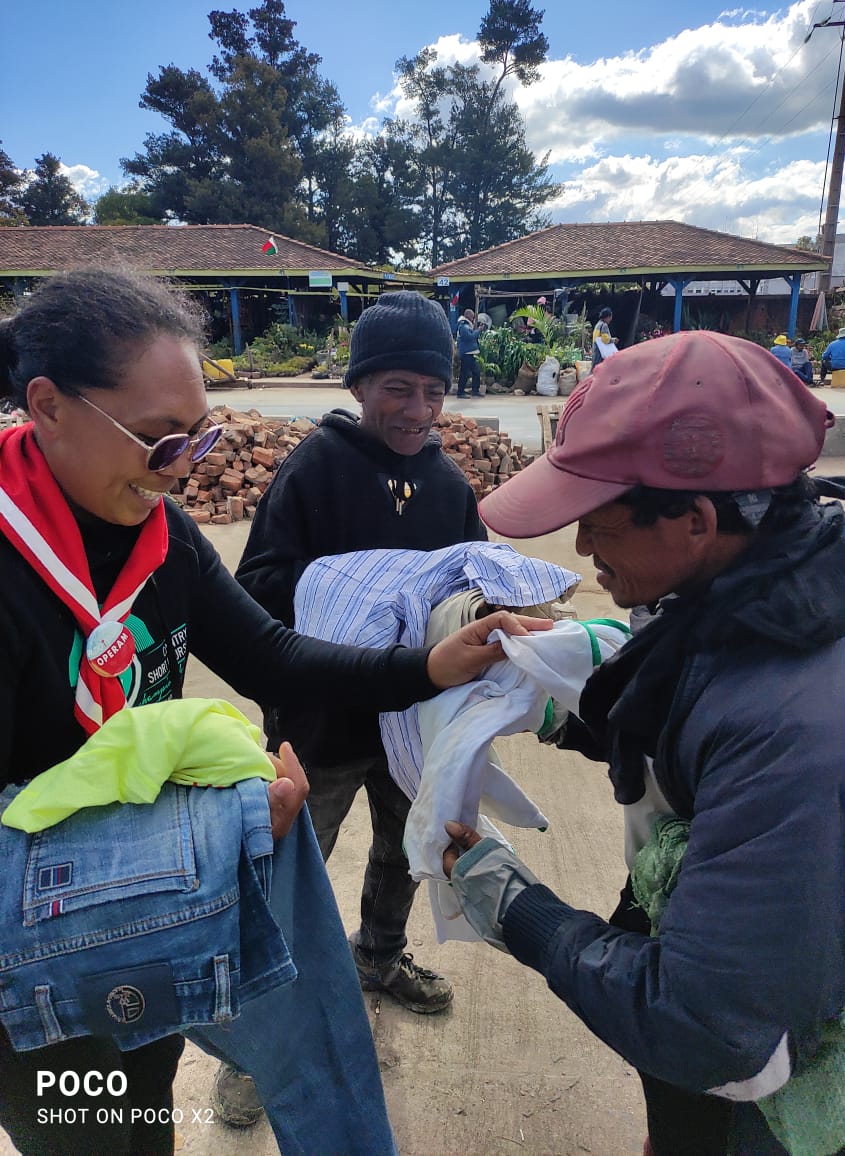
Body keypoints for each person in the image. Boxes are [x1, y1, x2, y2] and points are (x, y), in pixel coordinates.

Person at [0, 269, 543, 1155]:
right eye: (154, 439)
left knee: (139, 1107)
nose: (179, 468)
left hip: (149, 907)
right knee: (83, 1125)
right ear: (47, 405)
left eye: (195, 438)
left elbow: (270, 653)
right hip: (41, 937)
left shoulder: (161, 536)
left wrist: (429, 664)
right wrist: (209, 833)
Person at [442, 331, 845, 1156]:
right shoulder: (779, 574)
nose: (579, 550)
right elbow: (695, 689)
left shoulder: (792, 731)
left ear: (697, 520)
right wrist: (575, 699)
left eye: (597, 526)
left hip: (780, 1094)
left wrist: (523, 912)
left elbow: (707, 1028)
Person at [225, 290, 489, 1123]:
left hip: (414, 722)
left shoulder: (447, 484)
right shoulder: (314, 469)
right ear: (360, 386)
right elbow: (258, 593)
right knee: (288, 869)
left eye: (433, 394)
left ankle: (379, 956)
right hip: (326, 723)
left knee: (405, 845)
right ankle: (258, 1038)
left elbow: (470, 581)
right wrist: (355, 595)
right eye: (398, 389)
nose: (418, 411)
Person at [455, 307, 482, 398]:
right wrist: (478, 331)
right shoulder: (463, 326)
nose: (473, 319)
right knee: (465, 373)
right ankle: (460, 392)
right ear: (469, 316)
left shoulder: (467, 325)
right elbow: (469, 337)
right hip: (466, 353)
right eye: (473, 317)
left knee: (476, 372)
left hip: (470, 353)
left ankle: (475, 391)